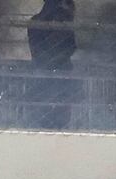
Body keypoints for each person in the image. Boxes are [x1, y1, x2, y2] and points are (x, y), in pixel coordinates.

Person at [25, 0, 78, 130]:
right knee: (50, 105)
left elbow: (70, 46)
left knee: (56, 105)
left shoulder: (61, 20)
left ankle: (54, 125)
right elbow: (70, 47)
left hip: (52, 70)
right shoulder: (41, 21)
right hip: (49, 69)